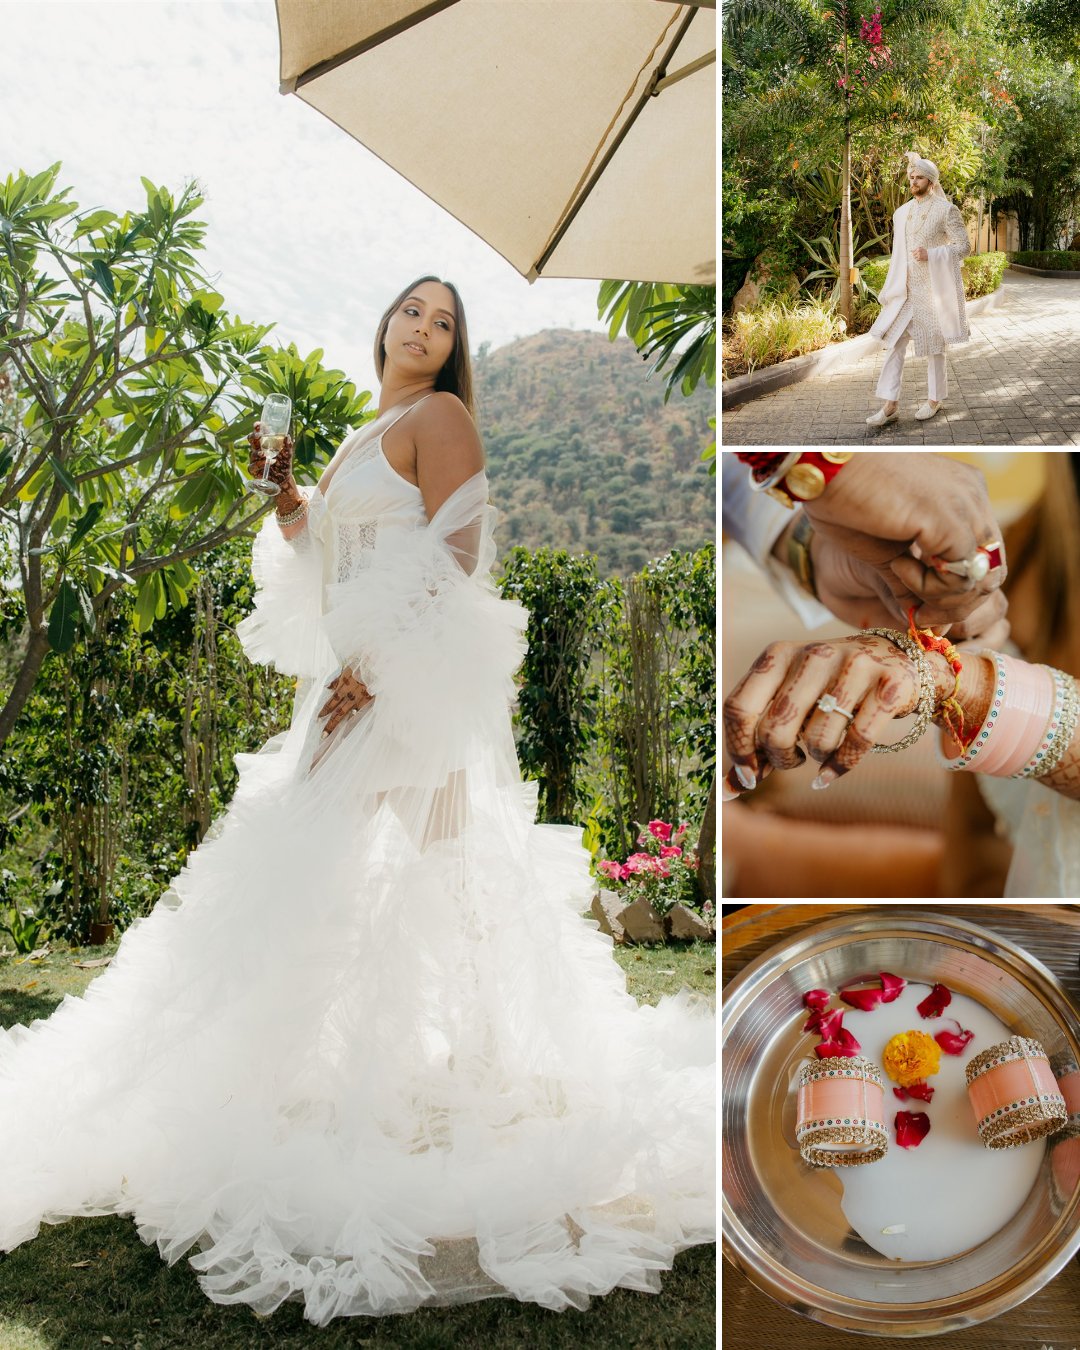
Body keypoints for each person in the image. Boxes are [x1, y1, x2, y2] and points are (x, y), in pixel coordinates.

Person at [0, 278, 714, 1324]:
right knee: (381, 875)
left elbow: (458, 555)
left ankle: (475, 1082)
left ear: (453, 347)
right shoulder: (356, 431)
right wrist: (292, 505)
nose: (425, 329)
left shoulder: (443, 417)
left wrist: (375, 669)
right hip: (352, 681)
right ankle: (431, 1072)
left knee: (399, 874)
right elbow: (328, 562)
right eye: (413, 311)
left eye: (446, 321)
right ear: (381, 320)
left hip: (401, 684)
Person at [865, 152, 971, 427]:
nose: (913, 181)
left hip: (932, 291)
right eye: (911, 177)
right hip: (907, 293)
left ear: (931, 181)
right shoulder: (902, 213)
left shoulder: (947, 210)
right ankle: (890, 405)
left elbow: (963, 247)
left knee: (935, 348)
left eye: (919, 177)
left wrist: (932, 254)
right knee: (894, 344)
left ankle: (935, 400)